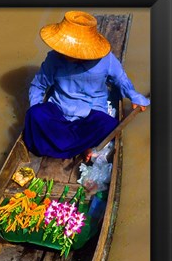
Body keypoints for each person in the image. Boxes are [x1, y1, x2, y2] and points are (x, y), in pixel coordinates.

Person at [23, 10, 150, 160]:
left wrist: (134, 96)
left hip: (89, 116)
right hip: (59, 110)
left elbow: (120, 79)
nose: (64, 53)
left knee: (108, 125)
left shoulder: (106, 60)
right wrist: (37, 111)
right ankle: (81, 146)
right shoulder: (54, 58)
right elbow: (38, 86)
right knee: (34, 114)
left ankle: (76, 145)